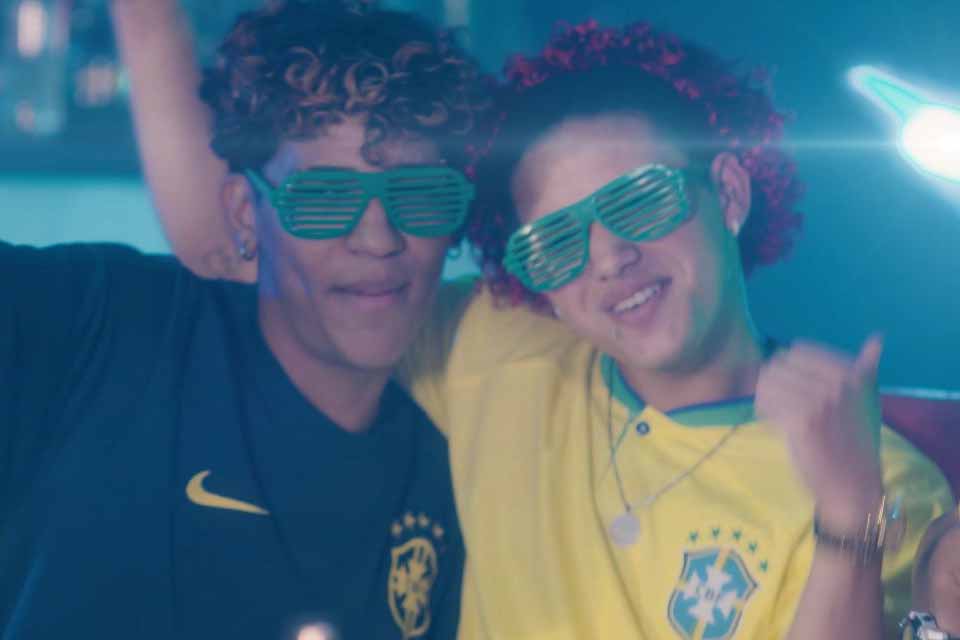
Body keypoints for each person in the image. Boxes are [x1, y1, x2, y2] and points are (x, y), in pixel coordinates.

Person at [118, 6, 957, 638]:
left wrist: (849, 520)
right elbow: (231, 250)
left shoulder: (884, 485)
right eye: (555, 240)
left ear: (730, 192)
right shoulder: (500, 349)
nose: (609, 257)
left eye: (639, 200)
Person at [0, 1, 491, 638]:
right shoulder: (106, 329)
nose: (378, 239)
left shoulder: (460, 458)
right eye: (324, 199)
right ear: (243, 212)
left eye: (420, 196)